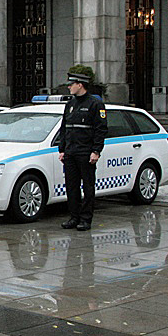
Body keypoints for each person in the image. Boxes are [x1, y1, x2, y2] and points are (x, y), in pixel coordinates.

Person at [58, 72, 108, 231]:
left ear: (80, 85)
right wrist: (62, 149)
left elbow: (101, 129)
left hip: (86, 152)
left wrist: (96, 151)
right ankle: (74, 217)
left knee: (88, 187)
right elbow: (64, 128)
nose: (69, 87)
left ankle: (86, 219)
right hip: (71, 152)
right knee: (71, 187)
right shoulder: (70, 104)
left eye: (71, 84)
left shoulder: (95, 104)